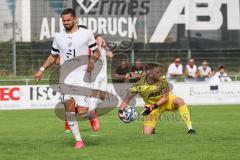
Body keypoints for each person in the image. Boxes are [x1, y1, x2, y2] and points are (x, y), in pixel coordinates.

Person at [34, 8, 100, 149]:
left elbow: (96, 52)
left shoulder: (86, 34)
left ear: (75, 19)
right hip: (65, 78)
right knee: (69, 111)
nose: (66, 23)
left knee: (82, 112)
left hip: (82, 77)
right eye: (63, 21)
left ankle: (91, 114)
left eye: (68, 20)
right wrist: (41, 69)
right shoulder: (58, 36)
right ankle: (79, 141)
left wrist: (91, 62)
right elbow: (53, 56)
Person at [118, 63, 196, 134]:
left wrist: (153, 106)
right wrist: (120, 111)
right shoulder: (139, 85)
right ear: (150, 74)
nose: (160, 73)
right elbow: (127, 99)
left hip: (165, 102)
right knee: (146, 134)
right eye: (157, 72)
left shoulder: (162, 79)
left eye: (160, 71)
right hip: (152, 108)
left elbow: (165, 97)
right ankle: (151, 129)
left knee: (179, 101)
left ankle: (190, 128)